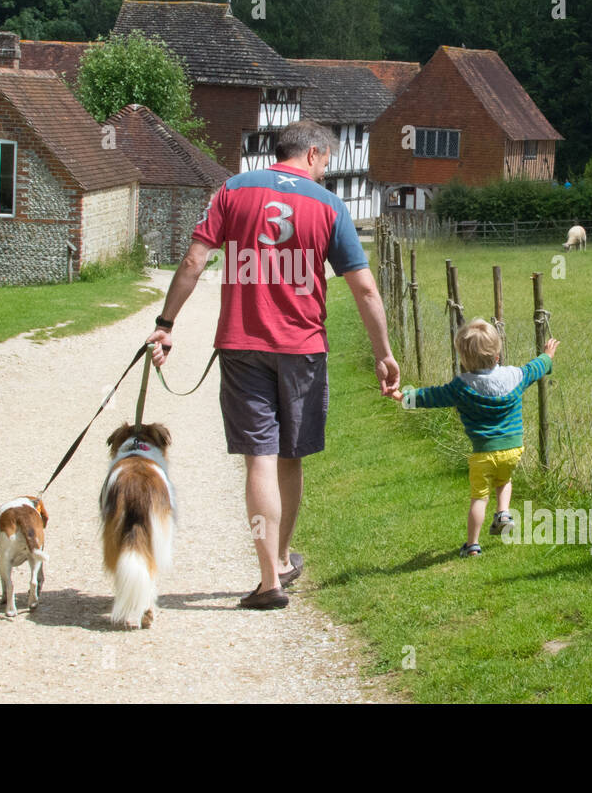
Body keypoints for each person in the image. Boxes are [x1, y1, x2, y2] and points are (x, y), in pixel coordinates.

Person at [147, 120, 400, 609]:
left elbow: (193, 262)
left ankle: (270, 579)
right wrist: (383, 352)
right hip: (302, 349)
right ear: (312, 154)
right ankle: (282, 557)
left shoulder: (233, 190)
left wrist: (166, 322)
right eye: (326, 164)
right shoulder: (328, 206)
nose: (325, 173)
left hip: (242, 346)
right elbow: (365, 288)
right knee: (290, 455)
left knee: (258, 458)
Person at [393, 318, 559, 556]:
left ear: (464, 360)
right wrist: (548, 355)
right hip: (513, 449)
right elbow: (537, 368)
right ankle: (503, 512)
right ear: (497, 355)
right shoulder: (515, 376)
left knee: (479, 498)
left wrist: (403, 397)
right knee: (504, 480)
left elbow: (431, 396)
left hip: (483, 454)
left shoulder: (461, 387)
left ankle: (472, 545)